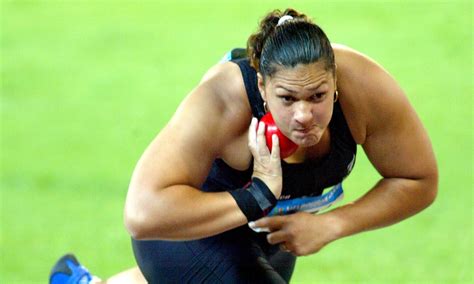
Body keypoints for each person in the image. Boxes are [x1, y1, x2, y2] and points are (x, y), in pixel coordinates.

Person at [49, 8, 438, 284]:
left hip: (271, 238)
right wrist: (256, 195)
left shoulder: (365, 89)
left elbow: (417, 179)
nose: (304, 115)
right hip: (189, 235)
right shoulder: (222, 99)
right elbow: (142, 212)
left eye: (318, 96)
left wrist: (333, 224)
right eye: (288, 99)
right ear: (263, 89)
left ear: (336, 82)